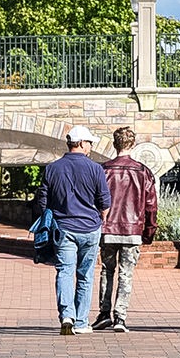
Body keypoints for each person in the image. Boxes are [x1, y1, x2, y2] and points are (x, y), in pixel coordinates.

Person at [37, 126, 111, 335]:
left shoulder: (53, 168)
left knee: (64, 272)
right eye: (89, 143)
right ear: (80, 143)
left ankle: (66, 315)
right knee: (85, 275)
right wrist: (101, 217)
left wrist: (49, 217)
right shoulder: (95, 169)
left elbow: (42, 200)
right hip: (89, 227)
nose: (91, 147)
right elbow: (104, 200)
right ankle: (80, 322)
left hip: (63, 228)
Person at [94, 127, 158, 332]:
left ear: (114, 144)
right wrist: (149, 231)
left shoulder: (103, 170)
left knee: (107, 270)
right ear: (133, 145)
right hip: (132, 230)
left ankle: (104, 313)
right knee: (126, 274)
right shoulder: (142, 172)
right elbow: (151, 205)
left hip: (108, 228)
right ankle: (120, 316)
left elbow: (96, 200)